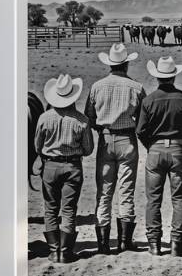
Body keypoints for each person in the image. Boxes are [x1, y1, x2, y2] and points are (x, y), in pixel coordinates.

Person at [136, 56, 182, 257]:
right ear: (174, 76)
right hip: (177, 150)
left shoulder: (148, 100)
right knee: (179, 198)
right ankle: (177, 242)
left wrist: (151, 145)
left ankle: (154, 243)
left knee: (153, 199)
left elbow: (141, 130)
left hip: (155, 150)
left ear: (157, 77)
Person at [85, 42, 146, 255]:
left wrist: (103, 129)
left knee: (104, 191)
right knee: (126, 190)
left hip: (105, 138)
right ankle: (125, 241)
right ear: (126, 64)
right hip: (127, 140)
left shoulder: (97, 87)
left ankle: (103, 243)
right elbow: (142, 119)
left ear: (110, 65)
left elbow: (90, 117)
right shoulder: (137, 88)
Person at [33, 73, 94, 264]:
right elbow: (88, 149)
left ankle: (53, 250)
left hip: (50, 165)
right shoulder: (82, 120)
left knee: (50, 207)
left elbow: (37, 146)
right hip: (72, 166)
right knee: (69, 209)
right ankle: (66, 251)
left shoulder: (44, 118)